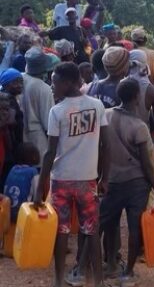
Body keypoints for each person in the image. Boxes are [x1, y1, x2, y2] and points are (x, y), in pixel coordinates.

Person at [33, 62, 109, 287]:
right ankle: (98, 281)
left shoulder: (57, 111)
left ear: (67, 83)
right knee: (91, 230)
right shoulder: (97, 105)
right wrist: (104, 176)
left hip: (62, 180)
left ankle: (57, 279)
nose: (52, 86)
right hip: (88, 179)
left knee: (62, 230)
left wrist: (39, 189)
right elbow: (107, 144)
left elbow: (50, 152)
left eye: (54, 81)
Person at [100, 79, 154, 286]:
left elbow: (102, 149)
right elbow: (147, 164)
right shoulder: (139, 126)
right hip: (136, 183)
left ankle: (105, 263)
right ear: (137, 97)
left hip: (112, 180)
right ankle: (127, 273)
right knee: (135, 228)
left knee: (106, 223)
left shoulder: (106, 116)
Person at [20, 47, 56, 156]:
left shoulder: (18, 78)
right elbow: (49, 124)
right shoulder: (43, 88)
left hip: (20, 138)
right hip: (39, 142)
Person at [3, 143, 40, 223]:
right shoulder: (33, 171)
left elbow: (6, 188)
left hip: (7, 211)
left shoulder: (13, 168)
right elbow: (38, 192)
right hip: (22, 213)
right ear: (34, 157)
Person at [0, 68, 24, 148]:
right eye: (15, 82)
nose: (20, 85)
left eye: (21, 81)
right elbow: (11, 120)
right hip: (9, 144)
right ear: (5, 84)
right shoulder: (8, 99)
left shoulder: (9, 97)